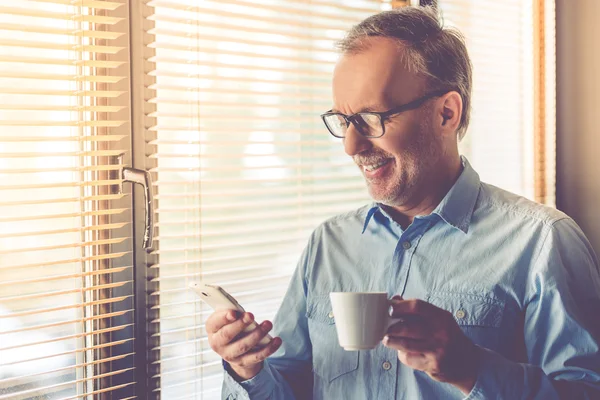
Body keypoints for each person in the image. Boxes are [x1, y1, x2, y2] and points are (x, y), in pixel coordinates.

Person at [206, 6, 600, 399]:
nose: (351, 146)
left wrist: (472, 368)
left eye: (372, 118)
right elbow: (290, 387)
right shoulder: (328, 244)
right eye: (344, 121)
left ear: (447, 113)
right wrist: (248, 369)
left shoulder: (543, 242)